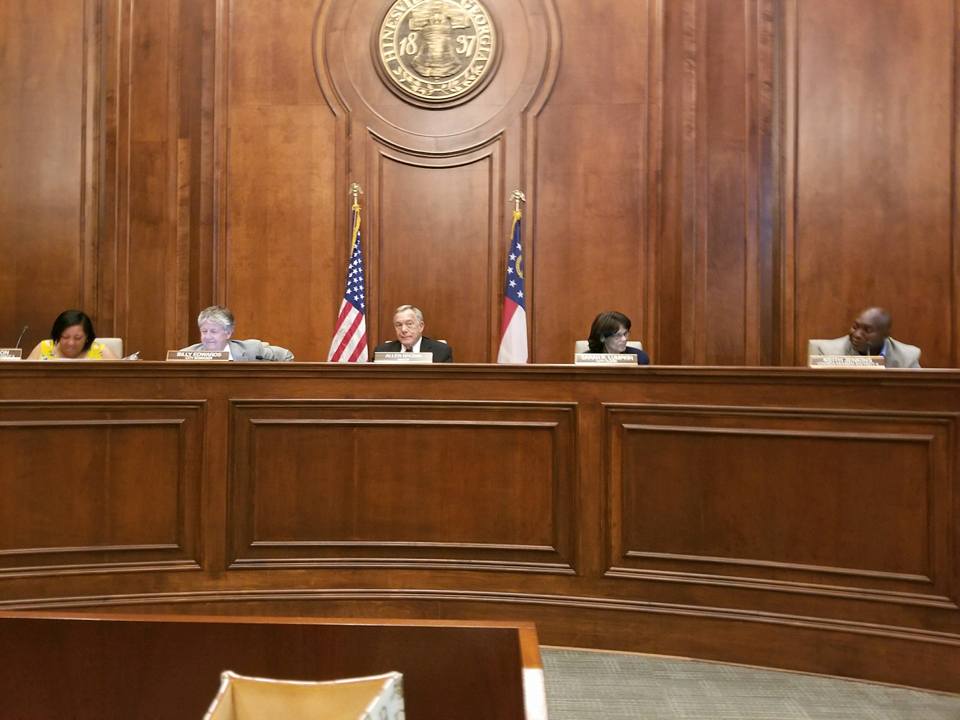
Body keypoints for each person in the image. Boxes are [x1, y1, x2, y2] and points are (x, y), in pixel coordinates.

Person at [809, 306, 920, 368]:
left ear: (885, 335)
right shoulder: (826, 352)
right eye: (855, 327)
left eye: (867, 330)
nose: (857, 335)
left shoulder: (907, 357)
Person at [179, 305, 294, 361]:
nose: (207, 336)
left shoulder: (252, 350)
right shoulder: (186, 356)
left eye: (213, 331)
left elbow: (287, 356)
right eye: (204, 331)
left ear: (228, 333)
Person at [26, 310, 118, 360]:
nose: (71, 343)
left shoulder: (101, 351)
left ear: (87, 337)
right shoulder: (43, 348)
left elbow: (121, 379)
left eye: (78, 338)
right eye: (65, 337)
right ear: (58, 336)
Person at [374, 304, 453, 362]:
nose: (403, 330)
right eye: (399, 325)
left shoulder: (441, 351)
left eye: (409, 324)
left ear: (421, 326)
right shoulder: (381, 351)